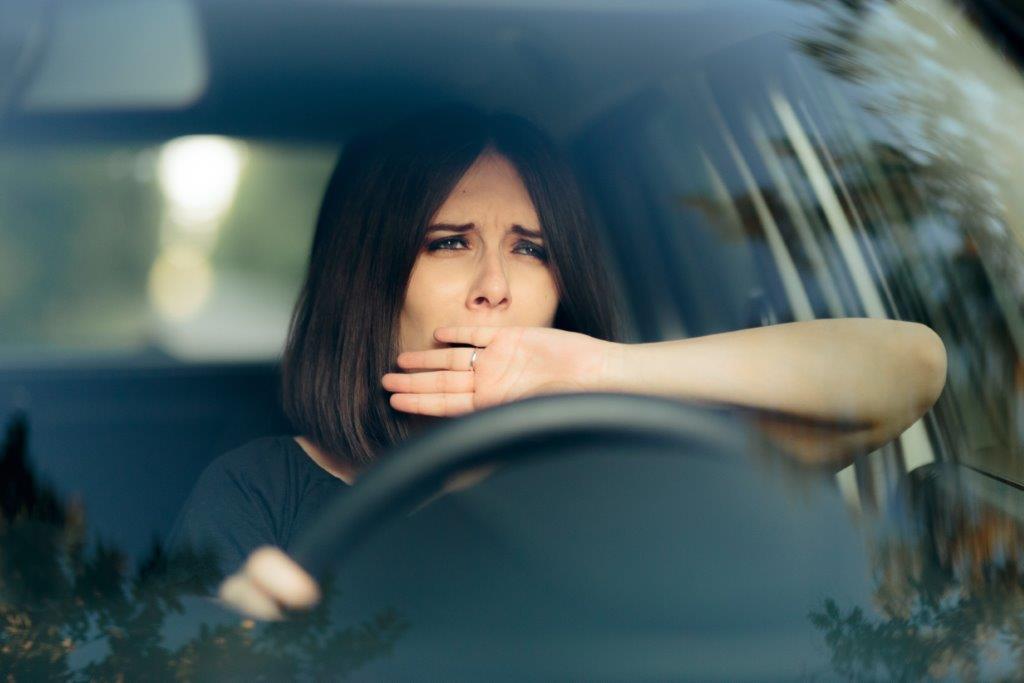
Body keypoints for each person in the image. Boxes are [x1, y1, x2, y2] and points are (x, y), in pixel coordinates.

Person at [169, 103, 948, 620]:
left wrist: (596, 371)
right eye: (450, 242)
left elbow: (910, 368)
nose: (495, 287)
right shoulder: (257, 491)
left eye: (532, 249)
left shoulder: (635, 469)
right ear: (369, 278)